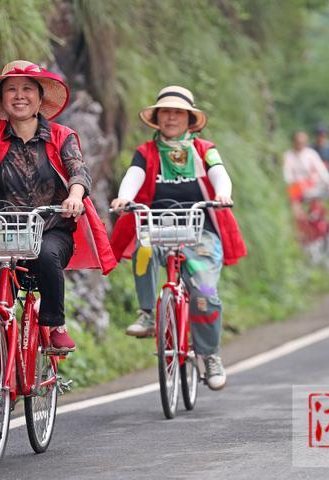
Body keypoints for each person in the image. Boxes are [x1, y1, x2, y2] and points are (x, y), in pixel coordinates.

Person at [0, 28, 116, 439]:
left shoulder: (62, 136)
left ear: (40, 98)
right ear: (4, 99)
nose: (20, 96)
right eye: (12, 90)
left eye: (27, 89)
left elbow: (78, 170)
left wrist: (76, 196)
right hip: (2, 235)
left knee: (47, 256)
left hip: (50, 229)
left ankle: (54, 323)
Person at [110, 86, 247, 391]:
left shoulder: (204, 149)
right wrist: (124, 198)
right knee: (143, 250)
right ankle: (147, 313)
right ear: (157, 118)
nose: (171, 117)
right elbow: (134, 175)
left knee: (205, 295)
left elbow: (218, 172)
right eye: (165, 112)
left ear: (189, 118)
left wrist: (223, 193)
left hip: (201, 232)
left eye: (178, 112)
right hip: (158, 229)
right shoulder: (146, 152)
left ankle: (209, 355)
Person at [282, 130, 329, 240]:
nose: (300, 144)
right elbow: (287, 173)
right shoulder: (289, 155)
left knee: (319, 206)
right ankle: (300, 228)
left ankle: (320, 225)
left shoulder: (311, 154)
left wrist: (327, 181)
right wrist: (293, 183)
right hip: (296, 187)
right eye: (298, 142)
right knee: (295, 205)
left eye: (302, 142)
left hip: (311, 187)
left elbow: (320, 169)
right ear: (294, 142)